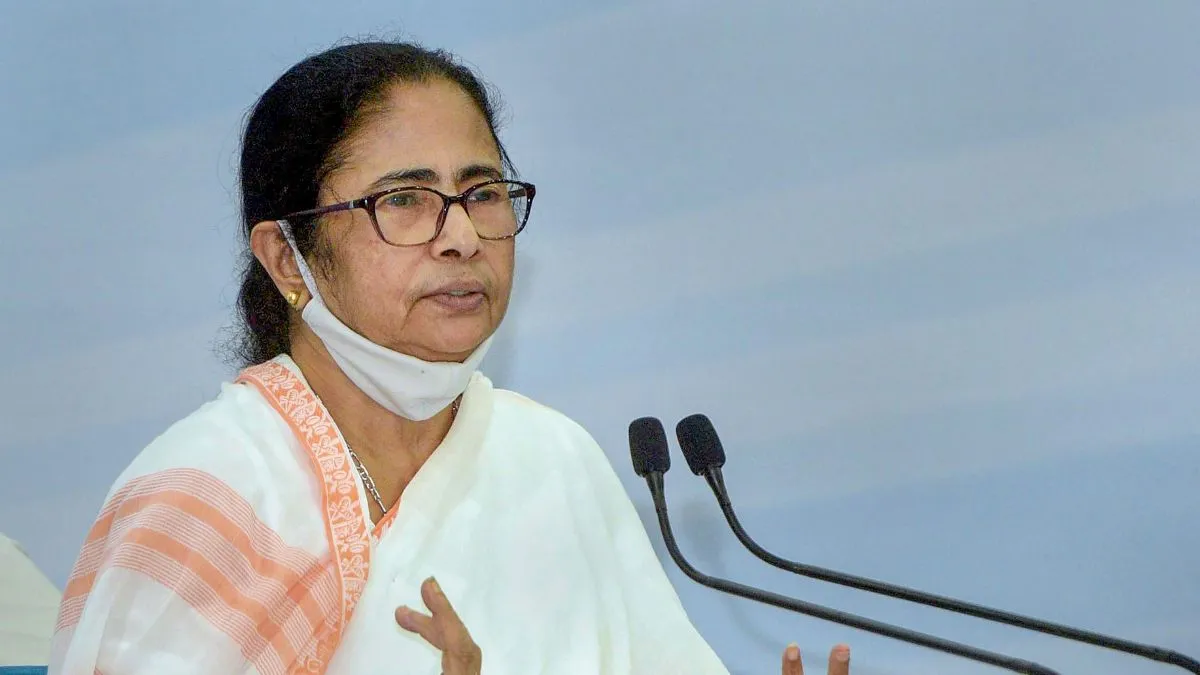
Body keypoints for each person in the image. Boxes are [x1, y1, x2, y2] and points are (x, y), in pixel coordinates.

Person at [47, 40, 852, 675]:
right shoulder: (206, 500)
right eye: (405, 200)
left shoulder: (551, 461)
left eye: (483, 192)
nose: (463, 236)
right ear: (288, 257)